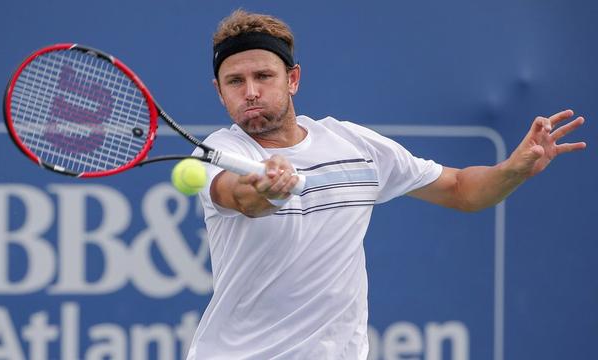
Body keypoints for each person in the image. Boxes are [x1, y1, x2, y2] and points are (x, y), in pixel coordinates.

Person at [187, 9, 586, 359]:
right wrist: (265, 189)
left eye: (263, 76)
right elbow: (240, 197)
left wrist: (513, 169)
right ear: (219, 93)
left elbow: (462, 190)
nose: (251, 92)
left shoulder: (354, 145)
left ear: (293, 79)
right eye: (235, 81)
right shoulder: (215, 152)